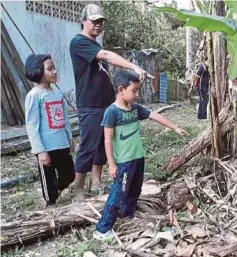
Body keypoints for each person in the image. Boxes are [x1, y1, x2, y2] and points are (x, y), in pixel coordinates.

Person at [93, 70, 186, 240]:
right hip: (124, 162)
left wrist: (174, 127)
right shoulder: (111, 112)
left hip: (138, 158)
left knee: (135, 190)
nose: (136, 94)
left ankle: (128, 216)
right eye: (134, 90)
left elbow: (154, 115)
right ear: (121, 90)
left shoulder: (135, 109)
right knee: (118, 193)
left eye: (137, 90)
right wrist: (112, 165)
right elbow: (107, 141)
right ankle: (102, 229)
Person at [70, 4, 148, 200]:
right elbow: (106, 56)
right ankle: (79, 188)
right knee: (88, 145)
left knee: (103, 145)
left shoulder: (95, 45)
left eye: (100, 22)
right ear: (83, 21)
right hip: (89, 103)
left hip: (105, 102)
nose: (98, 25)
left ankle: (96, 182)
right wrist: (133, 66)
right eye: (94, 21)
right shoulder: (79, 42)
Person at [25, 54, 75, 206]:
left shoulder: (57, 93)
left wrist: (70, 138)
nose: (54, 72)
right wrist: (40, 150)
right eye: (50, 69)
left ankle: (58, 189)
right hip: (46, 146)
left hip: (61, 143)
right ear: (38, 71)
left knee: (69, 174)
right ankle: (51, 203)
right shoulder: (34, 96)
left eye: (54, 68)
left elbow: (65, 118)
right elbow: (32, 124)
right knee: (48, 177)